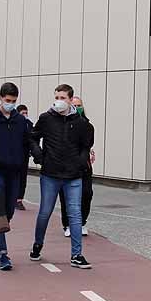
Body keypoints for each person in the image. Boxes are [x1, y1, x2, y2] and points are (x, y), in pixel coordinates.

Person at [28, 84, 95, 269]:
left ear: (71, 100)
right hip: (50, 173)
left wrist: (81, 164)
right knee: (45, 212)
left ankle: (77, 254)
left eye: (63, 98)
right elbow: (32, 137)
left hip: (73, 176)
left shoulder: (82, 124)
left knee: (75, 214)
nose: (59, 101)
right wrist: (39, 156)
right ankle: (37, 245)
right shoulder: (46, 118)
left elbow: (85, 147)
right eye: (57, 97)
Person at [0, 82, 31, 271]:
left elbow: (27, 143)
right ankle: (3, 253)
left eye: (13, 101)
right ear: (1, 98)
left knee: (9, 211)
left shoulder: (21, 121)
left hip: (15, 171)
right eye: (7, 100)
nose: (10, 103)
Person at [60, 96, 94, 237]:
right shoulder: (63, 124)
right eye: (75, 105)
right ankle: (68, 224)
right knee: (67, 196)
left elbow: (88, 144)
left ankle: (82, 223)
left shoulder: (88, 125)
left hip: (83, 166)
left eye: (79, 105)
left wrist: (89, 152)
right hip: (66, 166)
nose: (77, 107)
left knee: (87, 194)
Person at [16, 104, 32, 211]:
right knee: (15, 177)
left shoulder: (29, 124)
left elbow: (33, 138)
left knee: (23, 178)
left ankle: (19, 199)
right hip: (15, 154)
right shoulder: (14, 124)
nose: (25, 115)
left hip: (25, 154)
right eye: (22, 113)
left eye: (26, 113)